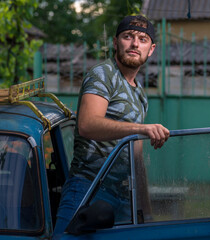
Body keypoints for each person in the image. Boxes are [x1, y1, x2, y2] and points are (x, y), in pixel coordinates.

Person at [53, 15, 169, 237]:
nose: (135, 44)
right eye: (128, 37)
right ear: (116, 43)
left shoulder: (140, 93)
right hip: (87, 188)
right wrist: (140, 129)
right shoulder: (103, 75)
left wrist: (146, 210)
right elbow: (87, 124)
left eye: (142, 39)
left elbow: (136, 157)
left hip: (123, 197)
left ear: (151, 49)